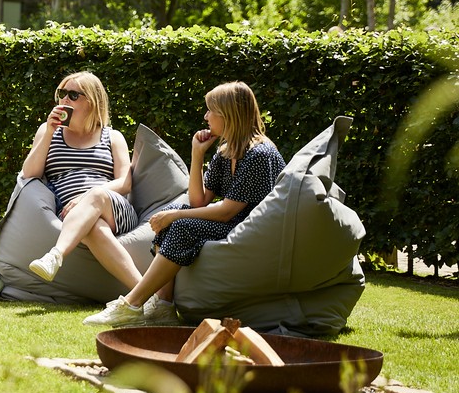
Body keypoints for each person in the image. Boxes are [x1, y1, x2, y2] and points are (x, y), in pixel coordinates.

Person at [83, 81, 286, 327]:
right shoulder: (227, 151)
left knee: (180, 224)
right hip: (233, 221)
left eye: (211, 110)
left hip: (254, 227)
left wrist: (177, 216)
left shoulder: (259, 155)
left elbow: (227, 212)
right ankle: (163, 307)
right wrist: (197, 154)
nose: (206, 116)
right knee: (169, 215)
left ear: (229, 114)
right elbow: (198, 200)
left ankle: (132, 304)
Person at [23, 71, 149, 297]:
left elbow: (124, 182)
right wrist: (49, 132)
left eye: (73, 95)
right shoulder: (48, 131)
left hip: (114, 208)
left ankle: (56, 255)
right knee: (93, 228)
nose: (64, 101)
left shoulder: (112, 136)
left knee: (96, 197)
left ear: (92, 101)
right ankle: (147, 298)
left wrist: (88, 195)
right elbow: (30, 173)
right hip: (74, 214)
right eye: (62, 94)